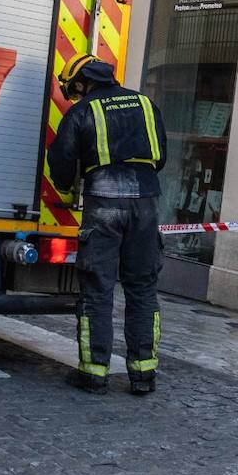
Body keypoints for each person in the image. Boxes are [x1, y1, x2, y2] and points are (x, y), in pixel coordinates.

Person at [47, 53, 168, 395]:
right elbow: (160, 157)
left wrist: (66, 187)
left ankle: (94, 372)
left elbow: (61, 160)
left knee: (97, 290)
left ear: (83, 82)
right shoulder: (146, 103)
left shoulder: (83, 110)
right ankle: (143, 374)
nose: (76, 94)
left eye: (75, 89)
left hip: (103, 205)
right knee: (143, 289)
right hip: (145, 205)